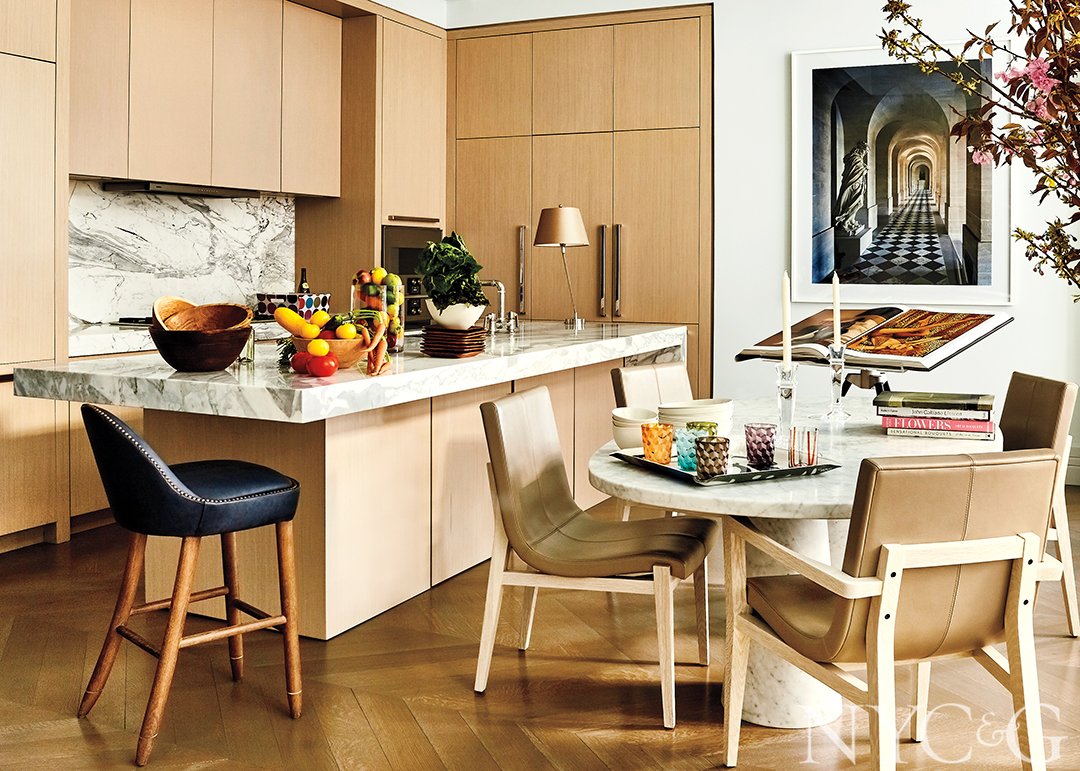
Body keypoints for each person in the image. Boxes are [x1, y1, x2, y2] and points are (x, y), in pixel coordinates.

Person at [834, 140, 869, 235]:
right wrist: (864, 169)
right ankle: (845, 222)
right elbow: (853, 171)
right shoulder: (854, 158)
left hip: (858, 183)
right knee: (856, 203)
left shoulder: (857, 159)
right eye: (865, 151)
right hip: (854, 184)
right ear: (861, 150)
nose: (865, 154)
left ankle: (851, 220)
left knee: (858, 203)